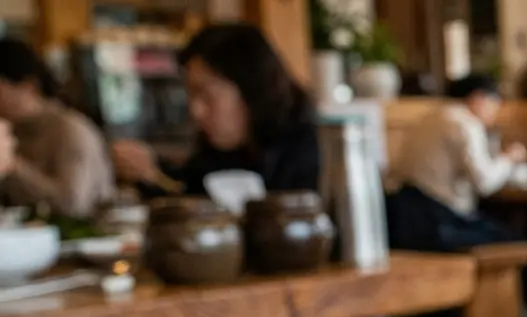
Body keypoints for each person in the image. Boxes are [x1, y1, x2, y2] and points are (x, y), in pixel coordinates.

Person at [111, 24, 319, 197]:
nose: (196, 111)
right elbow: (190, 192)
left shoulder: (306, 151)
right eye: (191, 95)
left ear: (251, 91)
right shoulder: (218, 153)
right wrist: (151, 173)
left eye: (206, 95)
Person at [384, 73, 526, 253]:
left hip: (400, 220)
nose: (495, 111)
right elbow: (484, 182)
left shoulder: (429, 118)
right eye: (495, 103)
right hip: (437, 223)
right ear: (478, 99)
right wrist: (508, 158)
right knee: (516, 241)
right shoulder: (465, 123)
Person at [0, 39, 114, 217]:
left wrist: (12, 165)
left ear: (29, 87)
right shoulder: (12, 130)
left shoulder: (69, 130)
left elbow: (73, 204)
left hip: (84, 240)